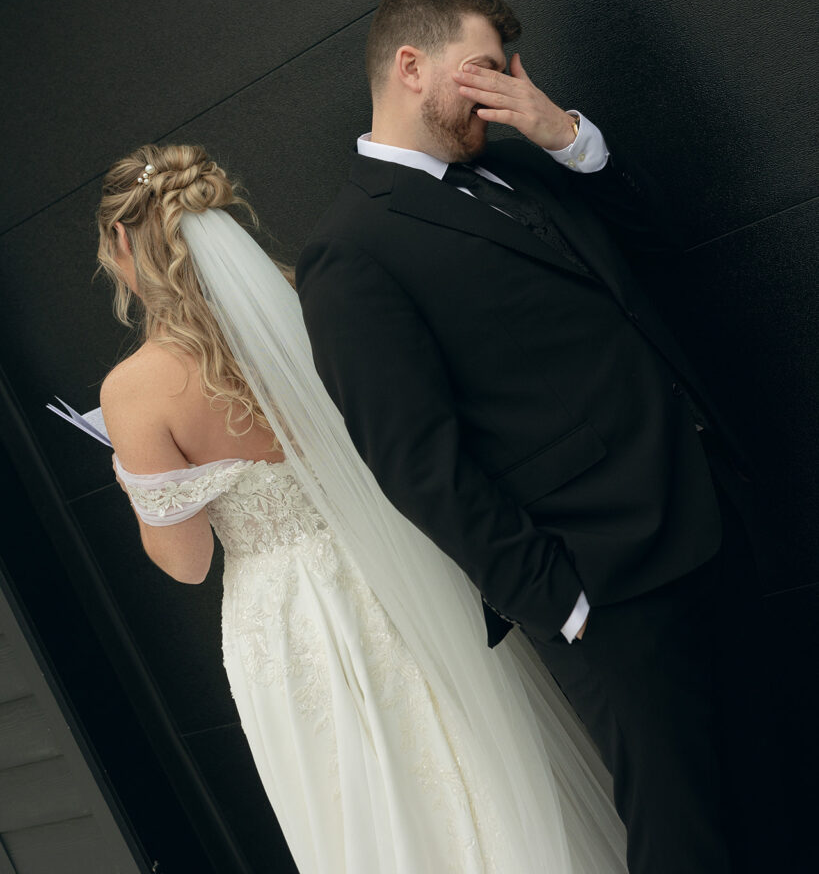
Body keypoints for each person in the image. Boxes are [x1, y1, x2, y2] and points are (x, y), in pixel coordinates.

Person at [296, 0, 778, 873]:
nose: (505, 87)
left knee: (772, 787)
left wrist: (563, 134)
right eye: (482, 67)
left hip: (710, 522)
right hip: (611, 588)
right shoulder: (350, 252)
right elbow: (416, 464)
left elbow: (657, 257)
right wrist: (566, 606)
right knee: (686, 838)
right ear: (411, 65)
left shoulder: (520, 163)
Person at [96, 143, 628, 874]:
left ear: (122, 243)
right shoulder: (308, 305)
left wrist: (139, 486)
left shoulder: (135, 390)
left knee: (363, 802)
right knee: (476, 755)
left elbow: (186, 563)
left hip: (289, 618)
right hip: (400, 560)